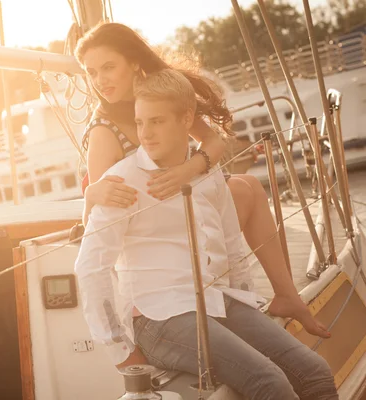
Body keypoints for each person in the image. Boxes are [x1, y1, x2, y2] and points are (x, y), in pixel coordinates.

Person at [74, 69, 338, 400]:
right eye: (140, 122)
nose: (146, 134)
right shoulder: (122, 183)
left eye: (156, 122)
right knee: (270, 382)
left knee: (314, 371)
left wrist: (246, 306)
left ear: (186, 119)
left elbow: (230, 249)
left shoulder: (207, 174)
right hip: (159, 317)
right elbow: (90, 268)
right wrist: (121, 352)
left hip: (215, 301)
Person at [74, 22, 329, 338]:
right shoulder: (103, 131)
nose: (100, 80)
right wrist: (90, 196)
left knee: (247, 186)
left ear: (133, 62)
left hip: (189, 208)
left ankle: (285, 294)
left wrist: (189, 169)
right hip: (157, 235)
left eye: (108, 67)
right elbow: (100, 223)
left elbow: (214, 140)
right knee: (244, 189)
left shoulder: (155, 94)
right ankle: (262, 295)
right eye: (92, 72)